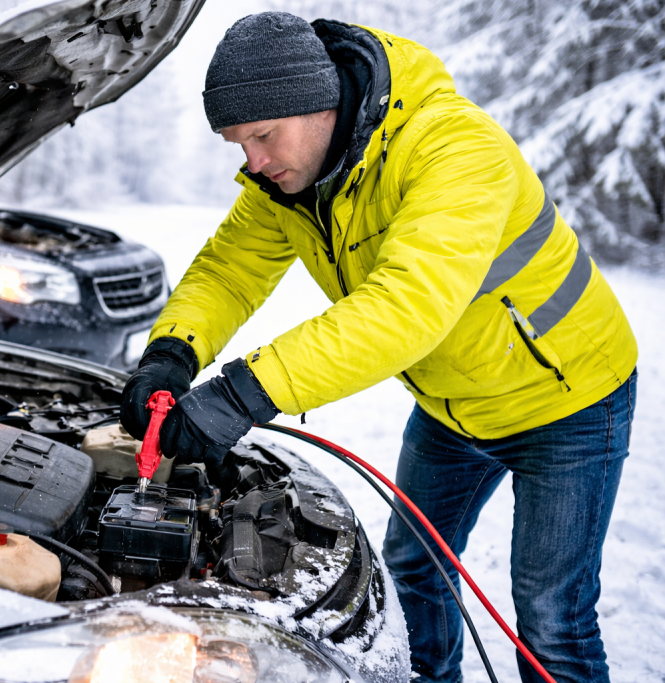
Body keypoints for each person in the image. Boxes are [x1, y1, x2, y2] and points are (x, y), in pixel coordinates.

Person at [119, 12, 638, 683]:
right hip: (451, 405)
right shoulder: (291, 183)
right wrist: (171, 353)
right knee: (413, 572)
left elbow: (407, 305)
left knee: (550, 615)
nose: (253, 162)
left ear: (319, 103)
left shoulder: (454, 148)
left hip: (568, 399)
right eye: (238, 144)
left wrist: (242, 394)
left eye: (263, 136)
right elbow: (228, 272)